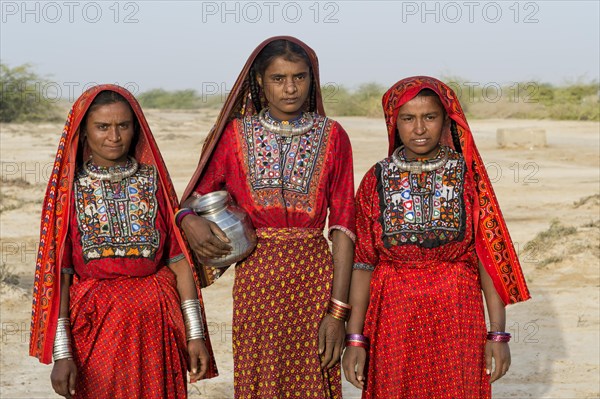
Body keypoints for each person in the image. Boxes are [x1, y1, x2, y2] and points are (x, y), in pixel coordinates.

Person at [178, 36, 356, 398]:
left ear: (312, 80)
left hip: (315, 278)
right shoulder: (234, 135)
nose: (290, 88)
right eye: (278, 78)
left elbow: (343, 226)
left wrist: (337, 313)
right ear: (259, 80)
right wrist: (187, 219)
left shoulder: (334, 136)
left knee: (314, 377)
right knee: (261, 377)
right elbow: (191, 198)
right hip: (257, 277)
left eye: (299, 77)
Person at [342, 76, 531, 398]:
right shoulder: (375, 178)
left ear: (445, 120)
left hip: (457, 315)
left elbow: (487, 258)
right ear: (394, 123)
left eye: (429, 117)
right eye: (408, 118)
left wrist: (497, 335)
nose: (419, 129)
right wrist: (355, 339)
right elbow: (363, 263)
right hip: (393, 318)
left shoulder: (468, 177)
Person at [29, 84, 218, 398]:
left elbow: (179, 260)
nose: (114, 137)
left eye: (123, 126)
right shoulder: (68, 194)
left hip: (156, 325)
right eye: (102, 127)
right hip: (96, 330)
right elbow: (60, 276)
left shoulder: (153, 182)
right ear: (84, 132)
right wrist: (62, 354)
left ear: (136, 129)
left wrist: (194, 334)